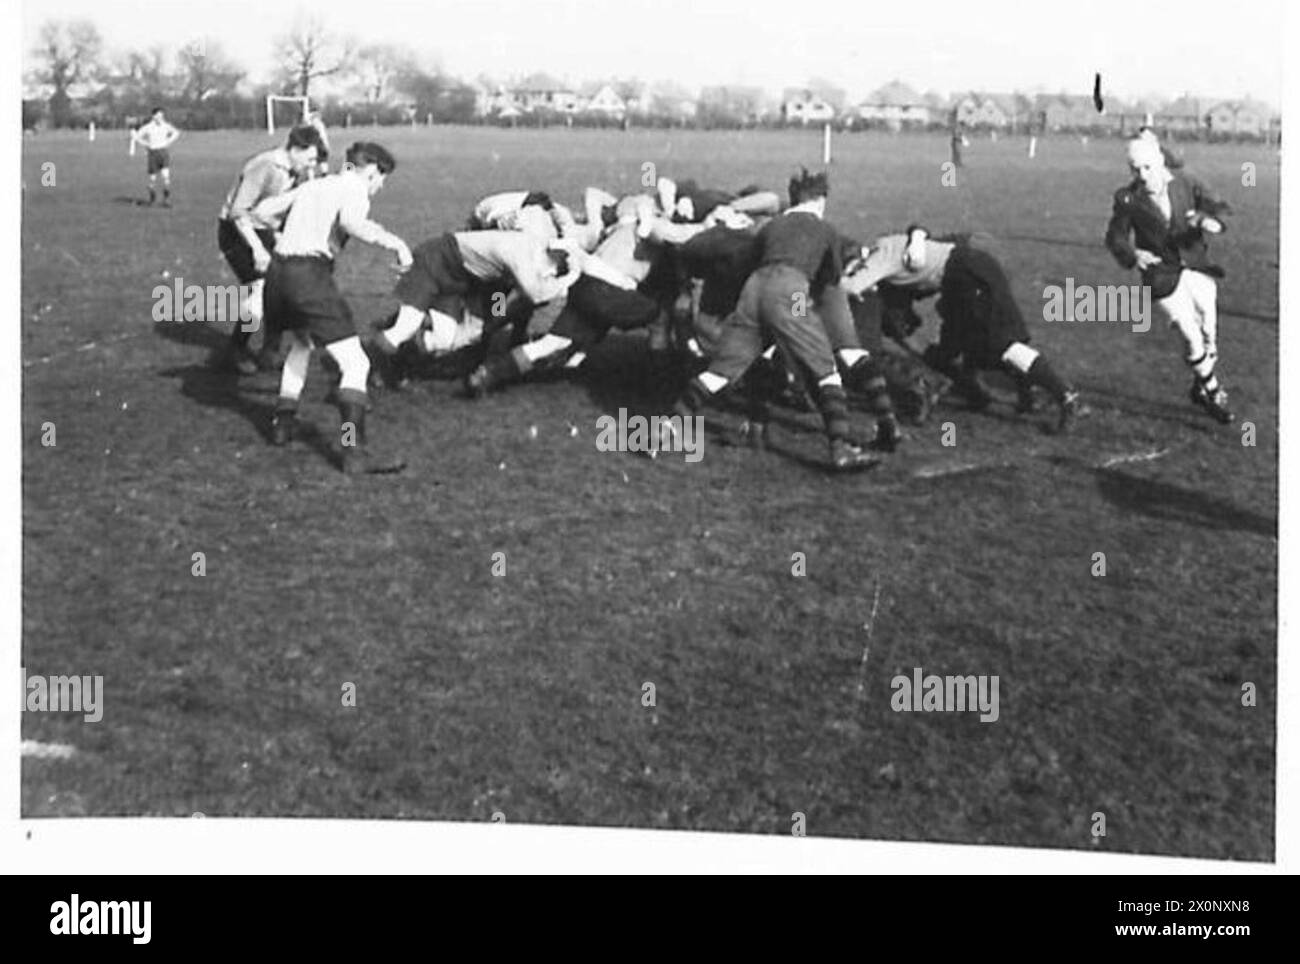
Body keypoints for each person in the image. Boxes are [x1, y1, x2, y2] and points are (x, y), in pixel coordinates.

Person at [662, 168, 880, 471]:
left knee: (722, 371)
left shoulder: (771, 227)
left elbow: (746, 264)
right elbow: (830, 280)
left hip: (753, 291)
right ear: (820, 200)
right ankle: (841, 447)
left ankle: (666, 428)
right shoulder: (826, 229)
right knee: (825, 370)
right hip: (790, 291)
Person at [250, 142, 413, 474]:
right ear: (371, 171)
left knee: (302, 344)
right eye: (382, 179)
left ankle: (283, 423)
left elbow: (262, 212)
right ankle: (353, 451)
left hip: (278, 275)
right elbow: (354, 223)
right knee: (356, 364)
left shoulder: (315, 184)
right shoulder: (354, 188)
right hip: (308, 277)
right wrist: (396, 244)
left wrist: (290, 235)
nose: (380, 187)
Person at [845, 226, 1082, 432]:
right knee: (960, 349)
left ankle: (1066, 396)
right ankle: (999, 394)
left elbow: (853, 286)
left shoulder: (879, 258)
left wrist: (828, 285)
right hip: (960, 278)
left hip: (967, 274)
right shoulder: (885, 249)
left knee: (1001, 344)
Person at [1104, 135, 1234, 423]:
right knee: (1190, 335)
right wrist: (1133, 254)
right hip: (1160, 275)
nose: (1142, 175)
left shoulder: (1186, 182)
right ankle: (1213, 392)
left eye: (1147, 167)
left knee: (1209, 334)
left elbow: (1219, 207)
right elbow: (1114, 236)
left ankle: (1199, 387)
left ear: (1161, 160)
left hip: (1195, 265)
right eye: (1135, 169)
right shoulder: (1127, 198)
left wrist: (1207, 219)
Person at [216, 124, 326, 373]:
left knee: (282, 288)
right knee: (260, 289)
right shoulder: (264, 165)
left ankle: (269, 351)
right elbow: (238, 212)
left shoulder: (294, 170)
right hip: (237, 232)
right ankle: (235, 348)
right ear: (295, 150)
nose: (310, 165)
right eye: (308, 158)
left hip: (264, 230)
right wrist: (257, 250)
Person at [130, 107, 180, 206]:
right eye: (158, 115)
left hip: (163, 152)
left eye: (161, 116)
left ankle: (166, 200)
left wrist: (168, 141)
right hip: (153, 153)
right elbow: (136, 136)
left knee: (166, 176)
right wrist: (146, 144)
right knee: (152, 178)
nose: (160, 117)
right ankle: (152, 198)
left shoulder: (165, 126)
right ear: (153, 116)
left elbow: (176, 133)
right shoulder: (148, 127)